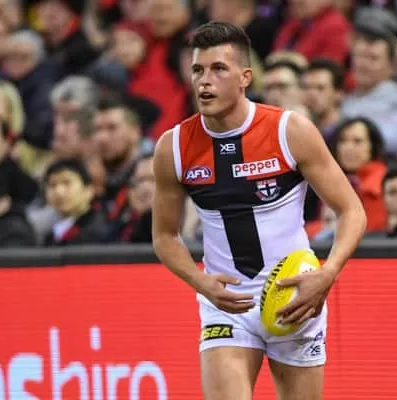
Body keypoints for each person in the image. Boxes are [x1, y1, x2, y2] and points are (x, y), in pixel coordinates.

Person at [151, 22, 367, 400]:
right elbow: (164, 236)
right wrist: (199, 281)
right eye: (198, 70)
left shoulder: (289, 131)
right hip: (226, 306)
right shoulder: (173, 147)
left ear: (245, 77)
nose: (204, 81)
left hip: (294, 298)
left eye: (219, 69)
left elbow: (352, 211)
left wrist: (328, 273)